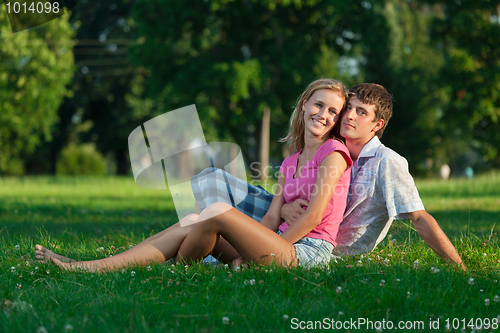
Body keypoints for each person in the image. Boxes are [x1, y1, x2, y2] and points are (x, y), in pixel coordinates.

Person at [36, 78, 353, 270]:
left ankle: (101, 268)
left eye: (332, 112)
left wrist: (269, 248)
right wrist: (254, 246)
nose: (323, 115)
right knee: (192, 221)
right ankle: (94, 266)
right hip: (279, 244)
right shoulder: (291, 160)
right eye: (318, 105)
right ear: (303, 106)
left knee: (214, 212)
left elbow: (312, 218)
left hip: (306, 252)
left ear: (337, 120)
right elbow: (271, 218)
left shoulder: (334, 154)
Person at [281, 83, 465, 269]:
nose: (350, 116)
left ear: (377, 124)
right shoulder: (327, 145)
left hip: (325, 248)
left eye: (361, 112)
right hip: (296, 228)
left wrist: (459, 268)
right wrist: (283, 210)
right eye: (349, 108)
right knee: (250, 193)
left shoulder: (385, 161)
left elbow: (419, 217)